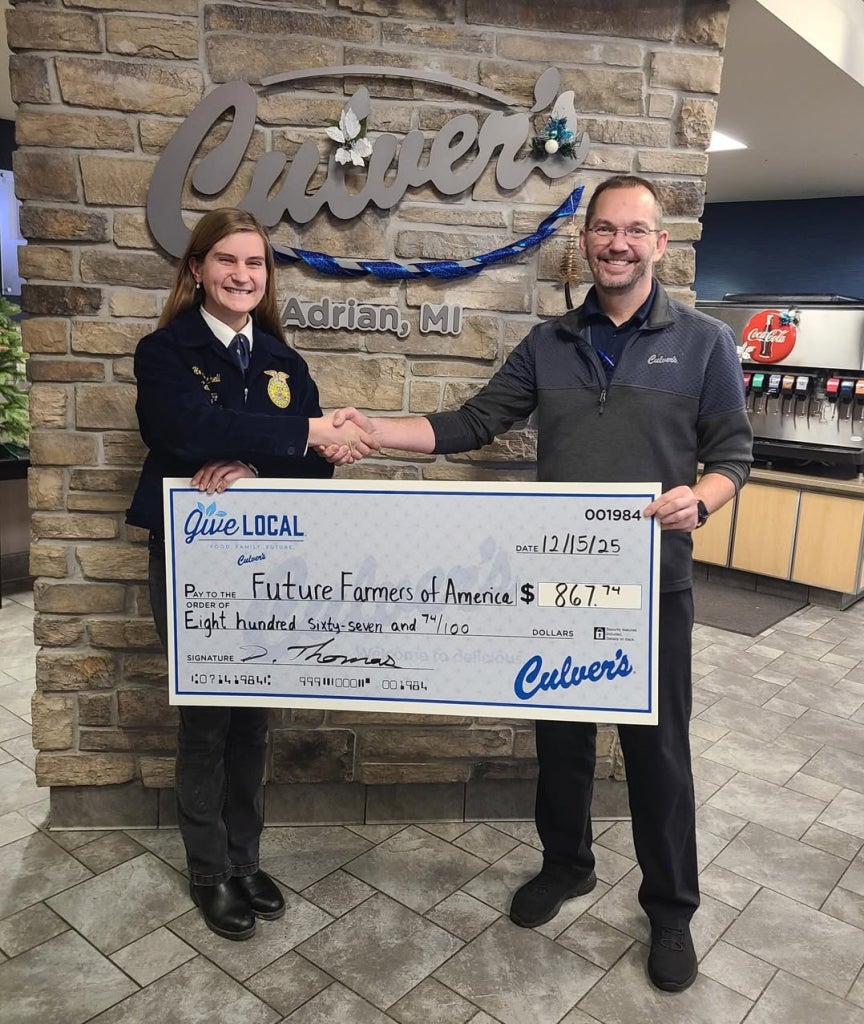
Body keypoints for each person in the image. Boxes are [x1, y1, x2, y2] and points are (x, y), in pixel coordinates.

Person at [324, 176, 753, 991]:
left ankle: (670, 910)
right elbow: (472, 423)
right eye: (604, 230)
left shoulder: (703, 344)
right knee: (560, 741)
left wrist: (700, 498)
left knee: (658, 754)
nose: (618, 244)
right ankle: (568, 865)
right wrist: (376, 429)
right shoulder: (549, 343)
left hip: (653, 587)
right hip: (559, 587)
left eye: (635, 231)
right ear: (585, 242)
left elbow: (733, 455)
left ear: (660, 244)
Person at [127, 207, 377, 941]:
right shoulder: (164, 353)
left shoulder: (282, 361)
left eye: (256, 264)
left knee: (254, 722)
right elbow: (182, 430)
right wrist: (300, 434)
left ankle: (246, 857)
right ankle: (209, 870)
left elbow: (312, 470)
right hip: (192, 559)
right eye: (228, 261)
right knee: (206, 723)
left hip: (271, 566)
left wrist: (263, 462)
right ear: (198, 269)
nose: (243, 275)